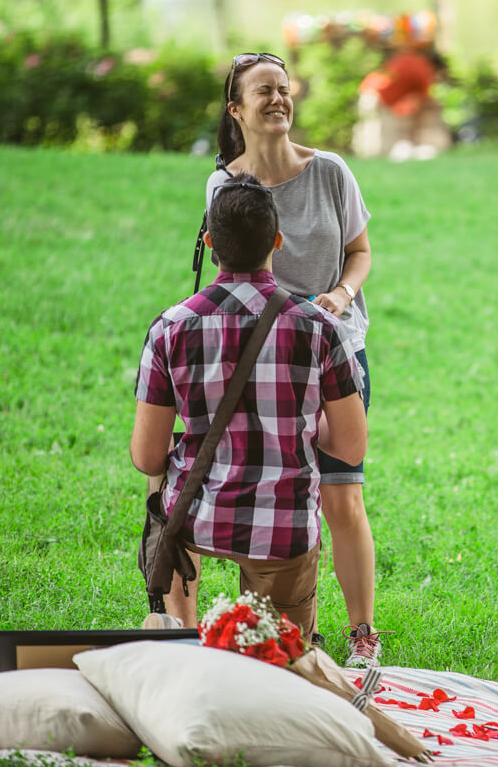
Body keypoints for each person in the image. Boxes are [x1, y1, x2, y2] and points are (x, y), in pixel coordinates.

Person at [204, 51, 386, 668]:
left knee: (342, 496)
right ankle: (266, 632)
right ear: (237, 110)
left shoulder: (331, 171)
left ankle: (362, 636)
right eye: (263, 92)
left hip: (337, 349)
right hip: (268, 361)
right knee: (272, 499)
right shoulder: (225, 184)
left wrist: (340, 294)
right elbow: (233, 268)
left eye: (283, 89)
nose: (278, 99)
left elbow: (359, 252)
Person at [130, 174, 367, 641]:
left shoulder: (170, 328)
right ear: (277, 241)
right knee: (278, 663)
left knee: (164, 496)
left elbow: (147, 457)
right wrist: (301, 422)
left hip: (196, 517)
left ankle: (179, 631)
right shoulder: (321, 328)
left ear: (209, 242)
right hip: (283, 527)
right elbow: (351, 447)